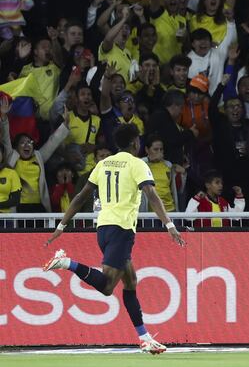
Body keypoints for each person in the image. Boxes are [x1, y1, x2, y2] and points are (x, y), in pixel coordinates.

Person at [43, 124, 184, 354]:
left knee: (131, 282)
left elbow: (80, 197)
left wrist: (61, 226)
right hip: (122, 230)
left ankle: (145, 339)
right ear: (135, 142)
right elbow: (151, 194)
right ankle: (67, 262)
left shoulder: (103, 164)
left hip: (103, 229)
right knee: (107, 287)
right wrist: (169, 225)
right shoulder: (137, 164)